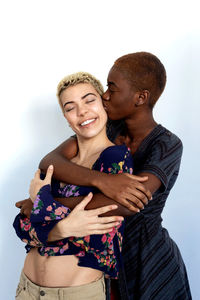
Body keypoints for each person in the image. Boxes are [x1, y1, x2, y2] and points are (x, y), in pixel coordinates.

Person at [17, 52, 192, 300]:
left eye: (112, 88)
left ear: (140, 97)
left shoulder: (167, 144)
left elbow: (127, 203)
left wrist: (43, 202)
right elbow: (50, 161)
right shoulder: (106, 127)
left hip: (146, 256)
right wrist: (102, 180)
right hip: (102, 252)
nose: (105, 95)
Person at [13, 72, 137, 300]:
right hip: (27, 290)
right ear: (66, 117)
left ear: (103, 104)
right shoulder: (59, 165)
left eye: (89, 100)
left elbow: (101, 231)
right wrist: (64, 228)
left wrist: (44, 208)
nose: (82, 112)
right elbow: (22, 224)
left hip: (76, 294)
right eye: (70, 107)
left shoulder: (115, 158)